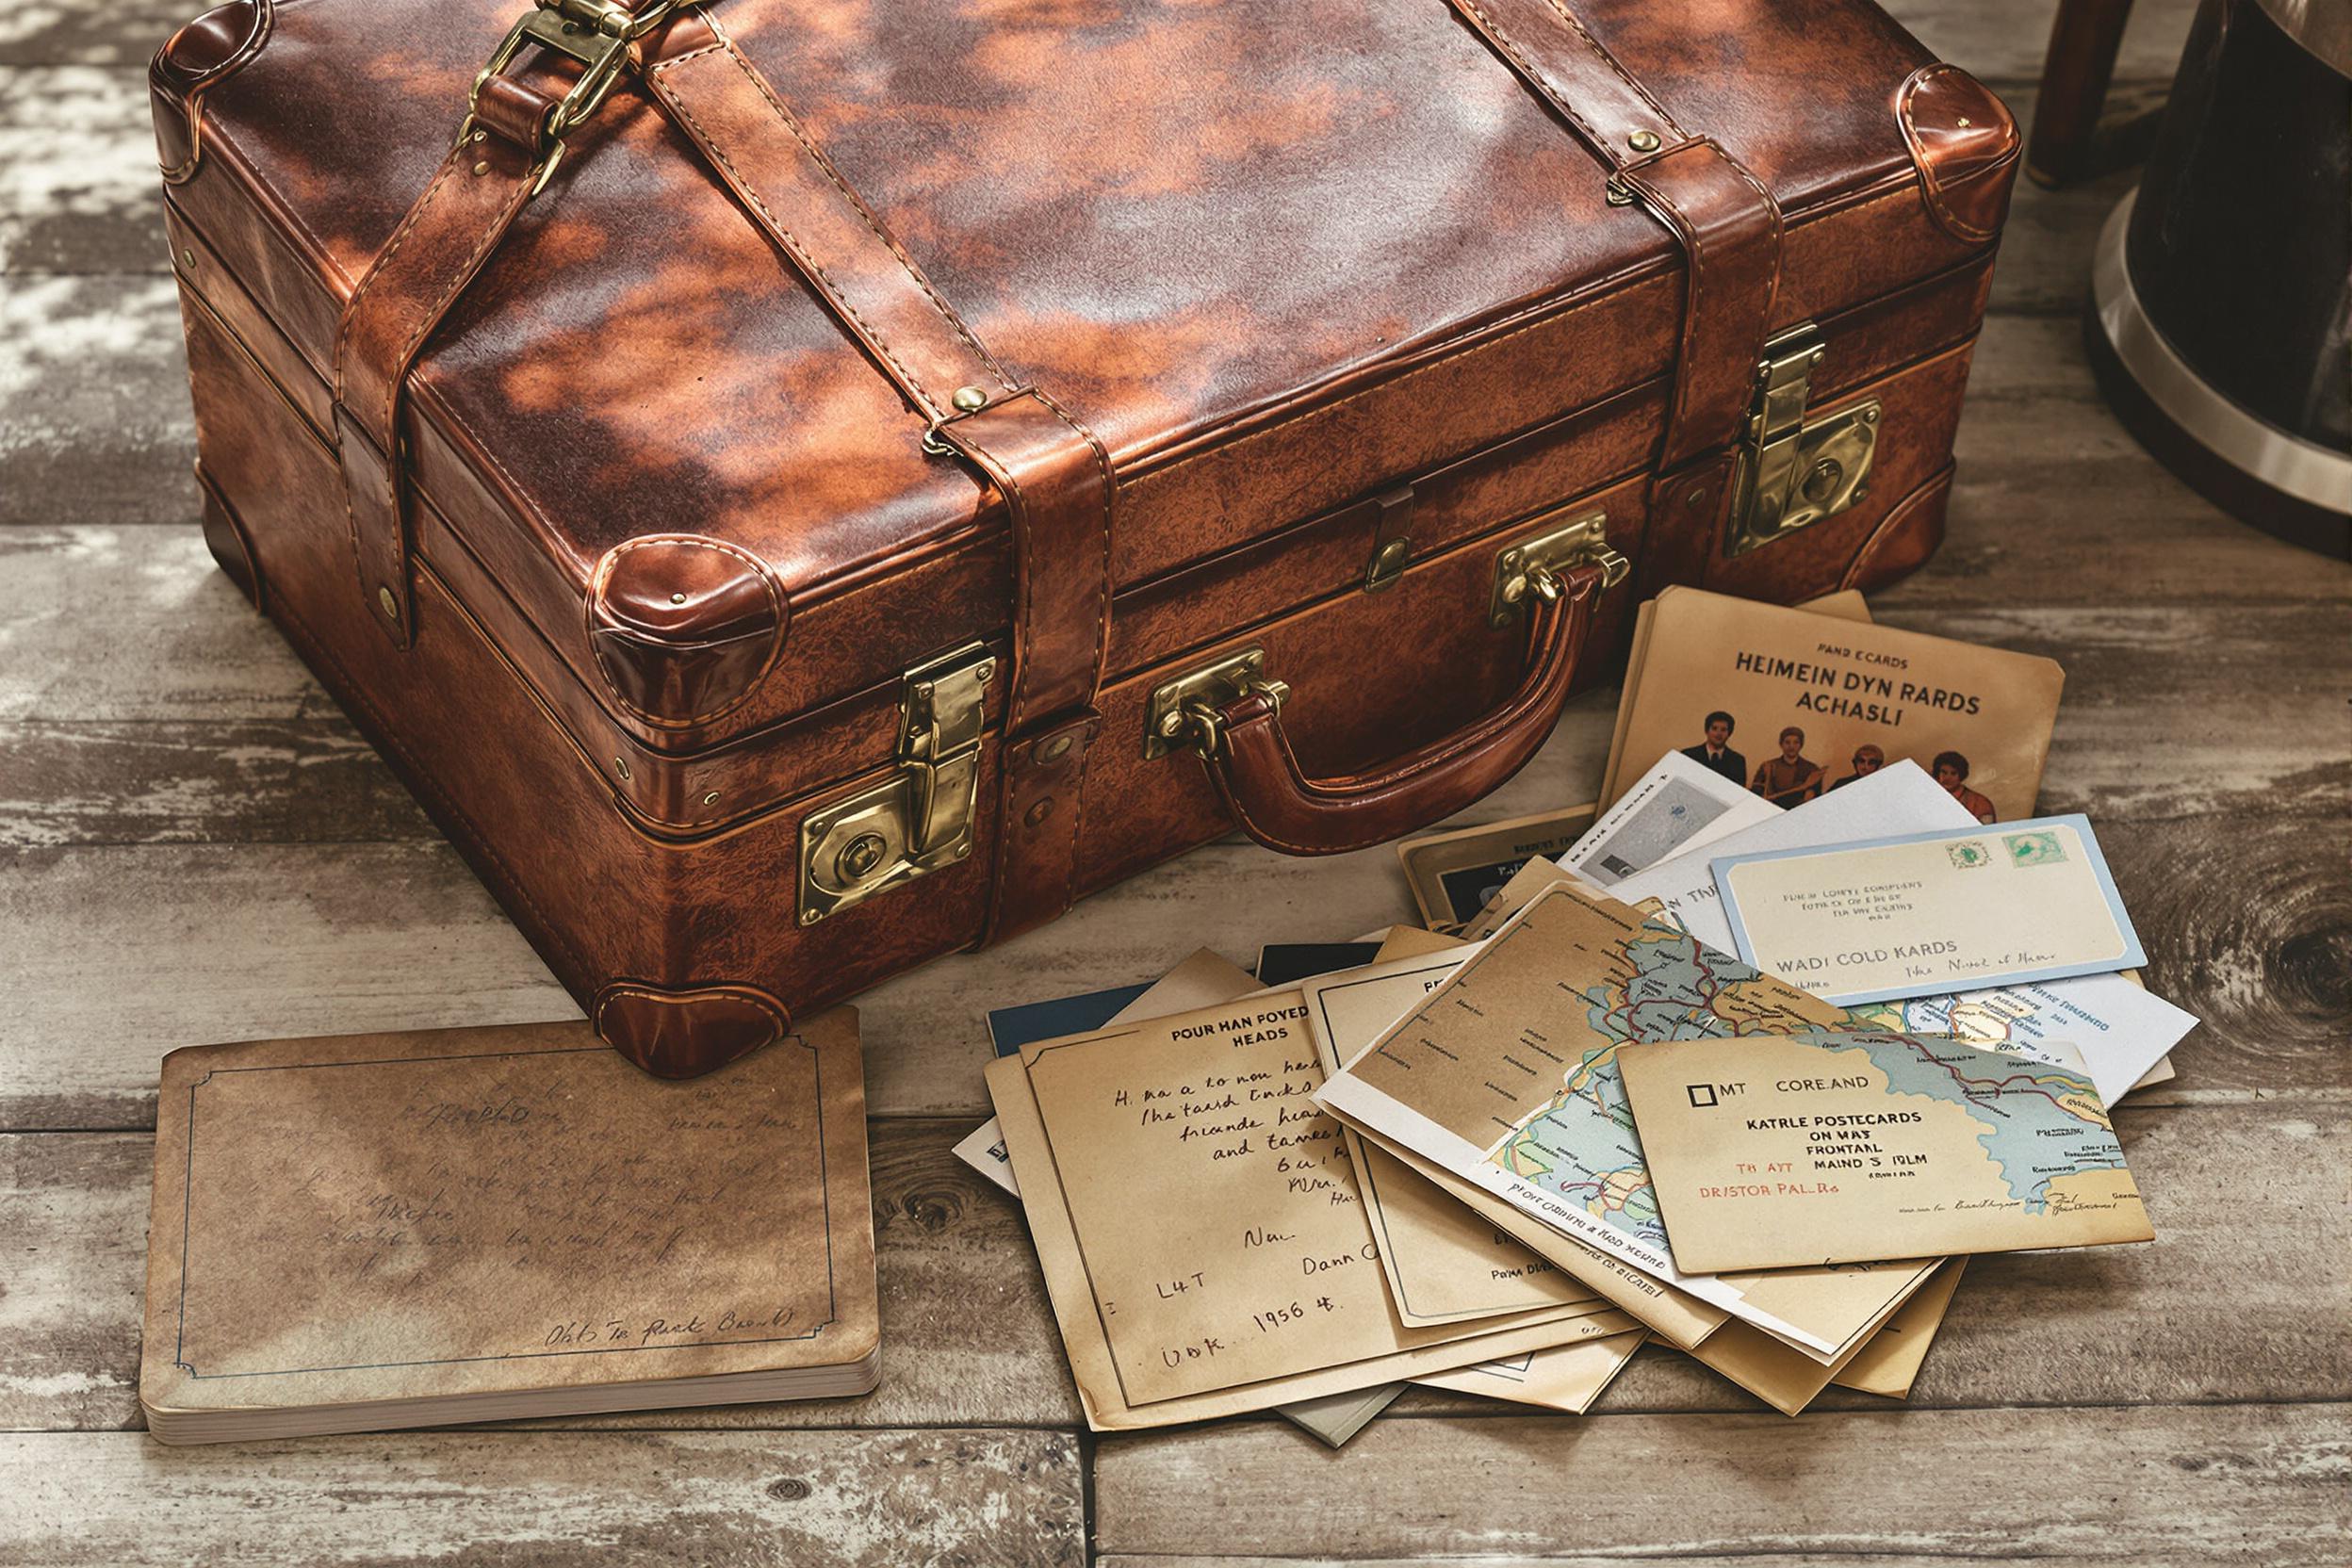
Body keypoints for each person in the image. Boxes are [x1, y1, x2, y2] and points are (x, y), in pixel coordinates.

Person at [1750, 726, 1823, 808]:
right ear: (1781, 744)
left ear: (1801, 745)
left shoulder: (1812, 769)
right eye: (1787, 742)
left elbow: (1816, 799)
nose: (1791, 746)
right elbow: (1755, 791)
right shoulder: (1768, 766)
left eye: (1796, 742)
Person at [1680, 710, 1745, 784]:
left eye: (1723, 730)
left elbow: (1738, 791)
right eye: (1714, 728)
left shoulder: (1737, 761)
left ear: (1729, 733)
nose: (1718, 734)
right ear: (1707, 731)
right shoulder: (1688, 755)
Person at [1933, 750, 1997, 823]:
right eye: (1944, 772)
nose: (1948, 778)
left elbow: (1986, 832)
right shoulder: (1931, 798)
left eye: (1953, 773)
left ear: (1961, 775)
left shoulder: (1980, 803)